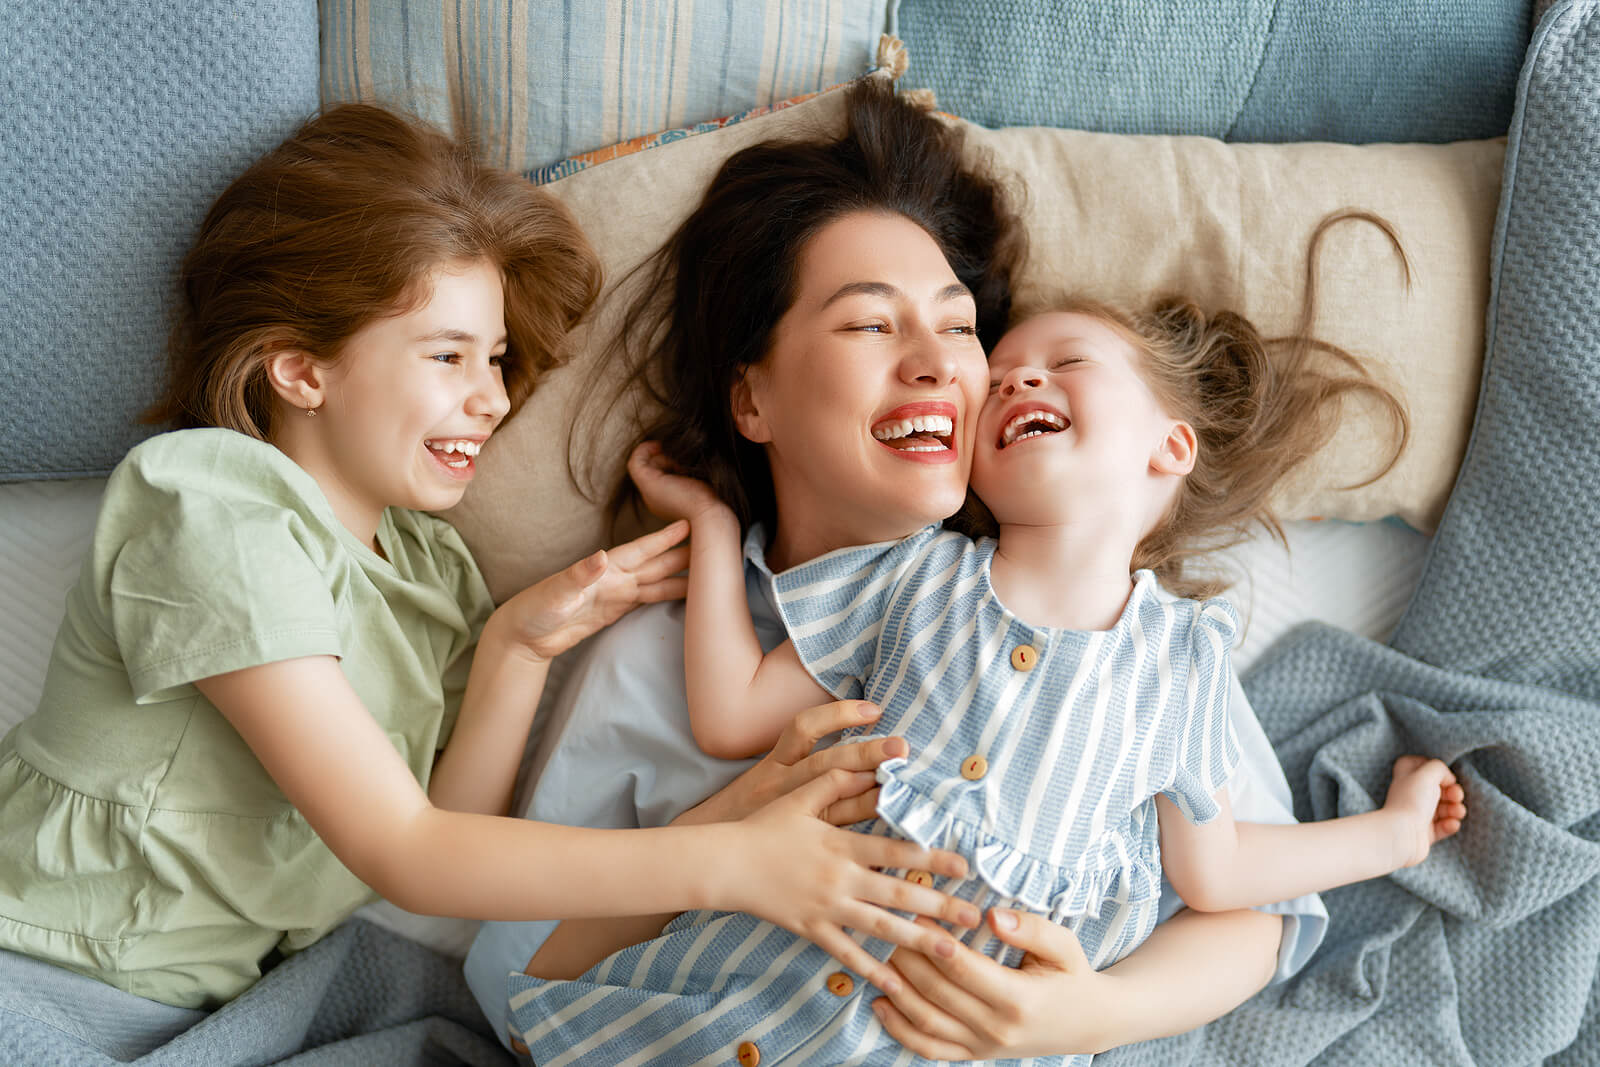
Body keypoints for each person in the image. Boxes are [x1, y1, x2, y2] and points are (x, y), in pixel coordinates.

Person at [0, 103, 980, 1043]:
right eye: (448, 356)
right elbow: (404, 851)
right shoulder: (212, 510)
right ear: (299, 369)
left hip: (199, 999)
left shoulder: (429, 568)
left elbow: (447, 835)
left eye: (498, 360)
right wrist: (730, 859)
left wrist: (516, 646)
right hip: (48, 967)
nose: (492, 400)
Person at [465, 77, 1347, 1063]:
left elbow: (1257, 913)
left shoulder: (1109, 632)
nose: (938, 364)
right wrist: (728, 836)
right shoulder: (651, 659)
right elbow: (519, 984)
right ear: (752, 399)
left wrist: (1090, 1013)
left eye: (960, 327)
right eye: (868, 323)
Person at [598, 266, 1466, 1060]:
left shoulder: (1181, 660)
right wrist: (713, 528)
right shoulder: (910, 573)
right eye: (1000, 378)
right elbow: (732, 713)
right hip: (750, 1005)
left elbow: (1218, 872)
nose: (1015, 381)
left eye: (1067, 362)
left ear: (1170, 447)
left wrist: (1392, 836)